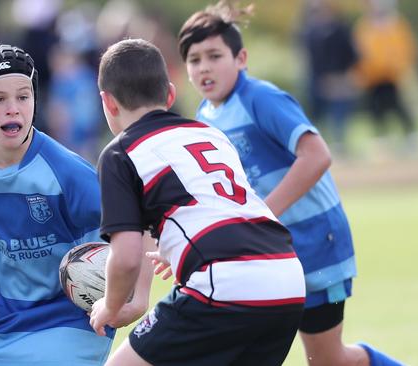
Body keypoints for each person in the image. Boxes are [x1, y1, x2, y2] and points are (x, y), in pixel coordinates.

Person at [177, 1, 402, 365]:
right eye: (194, 59)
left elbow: (317, 155)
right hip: (266, 251)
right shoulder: (204, 117)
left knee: (328, 361)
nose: (204, 67)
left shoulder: (260, 98)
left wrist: (262, 216)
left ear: (241, 58)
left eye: (214, 55)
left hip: (314, 240)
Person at [0, 44, 151, 366]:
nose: (12, 108)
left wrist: (138, 299)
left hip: (68, 319)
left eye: (23, 96)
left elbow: (138, 223)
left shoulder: (68, 173)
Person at [89, 38, 306, 366]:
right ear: (170, 94)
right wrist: (172, 251)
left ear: (108, 102)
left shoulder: (120, 153)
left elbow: (127, 257)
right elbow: (214, 206)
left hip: (224, 283)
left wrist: (111, 304)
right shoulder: (211, 134)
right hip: (286, 278)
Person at [353, 0, 417, 153]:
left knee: (398, 106)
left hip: (392, 76)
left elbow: (406, 48)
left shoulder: (396, 24)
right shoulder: (364, 26)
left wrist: (400, 67)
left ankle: (410, 137)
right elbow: (358, 51)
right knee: (375, 110)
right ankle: (382, 141)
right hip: (372, 77)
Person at [299, 0, 359, 156]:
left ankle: (339, 143)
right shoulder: (309, 33)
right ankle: (318, 145)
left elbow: (352, 53)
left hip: (339, 77)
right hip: (317, 78)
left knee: (339, 111)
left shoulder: (339, 30)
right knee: (317, 113)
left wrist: (341, 73)